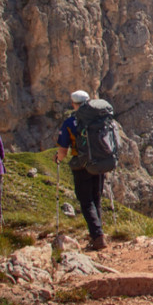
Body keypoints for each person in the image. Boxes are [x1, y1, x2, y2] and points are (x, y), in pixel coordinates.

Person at [54, 90, 107, 250]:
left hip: (82, 165)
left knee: (86, 201)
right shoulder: (99, 118)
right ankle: (98, 232)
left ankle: (97, 236)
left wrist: (58, 158)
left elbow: (63, 150)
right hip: (99, 163)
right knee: (96, 198)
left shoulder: (70, 122)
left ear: (73, 104)